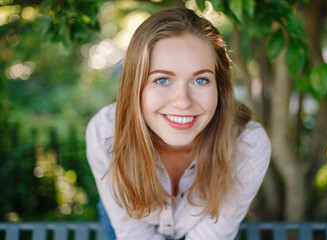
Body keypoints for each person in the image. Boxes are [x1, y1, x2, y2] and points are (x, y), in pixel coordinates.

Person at [86, 7, 271, 240]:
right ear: (135, 85)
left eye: (200, 80)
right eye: (162, 80)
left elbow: (212, 235)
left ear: (220, 87)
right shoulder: (105, 133)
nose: (183, 102)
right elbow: (133, 233)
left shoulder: (248, 143)